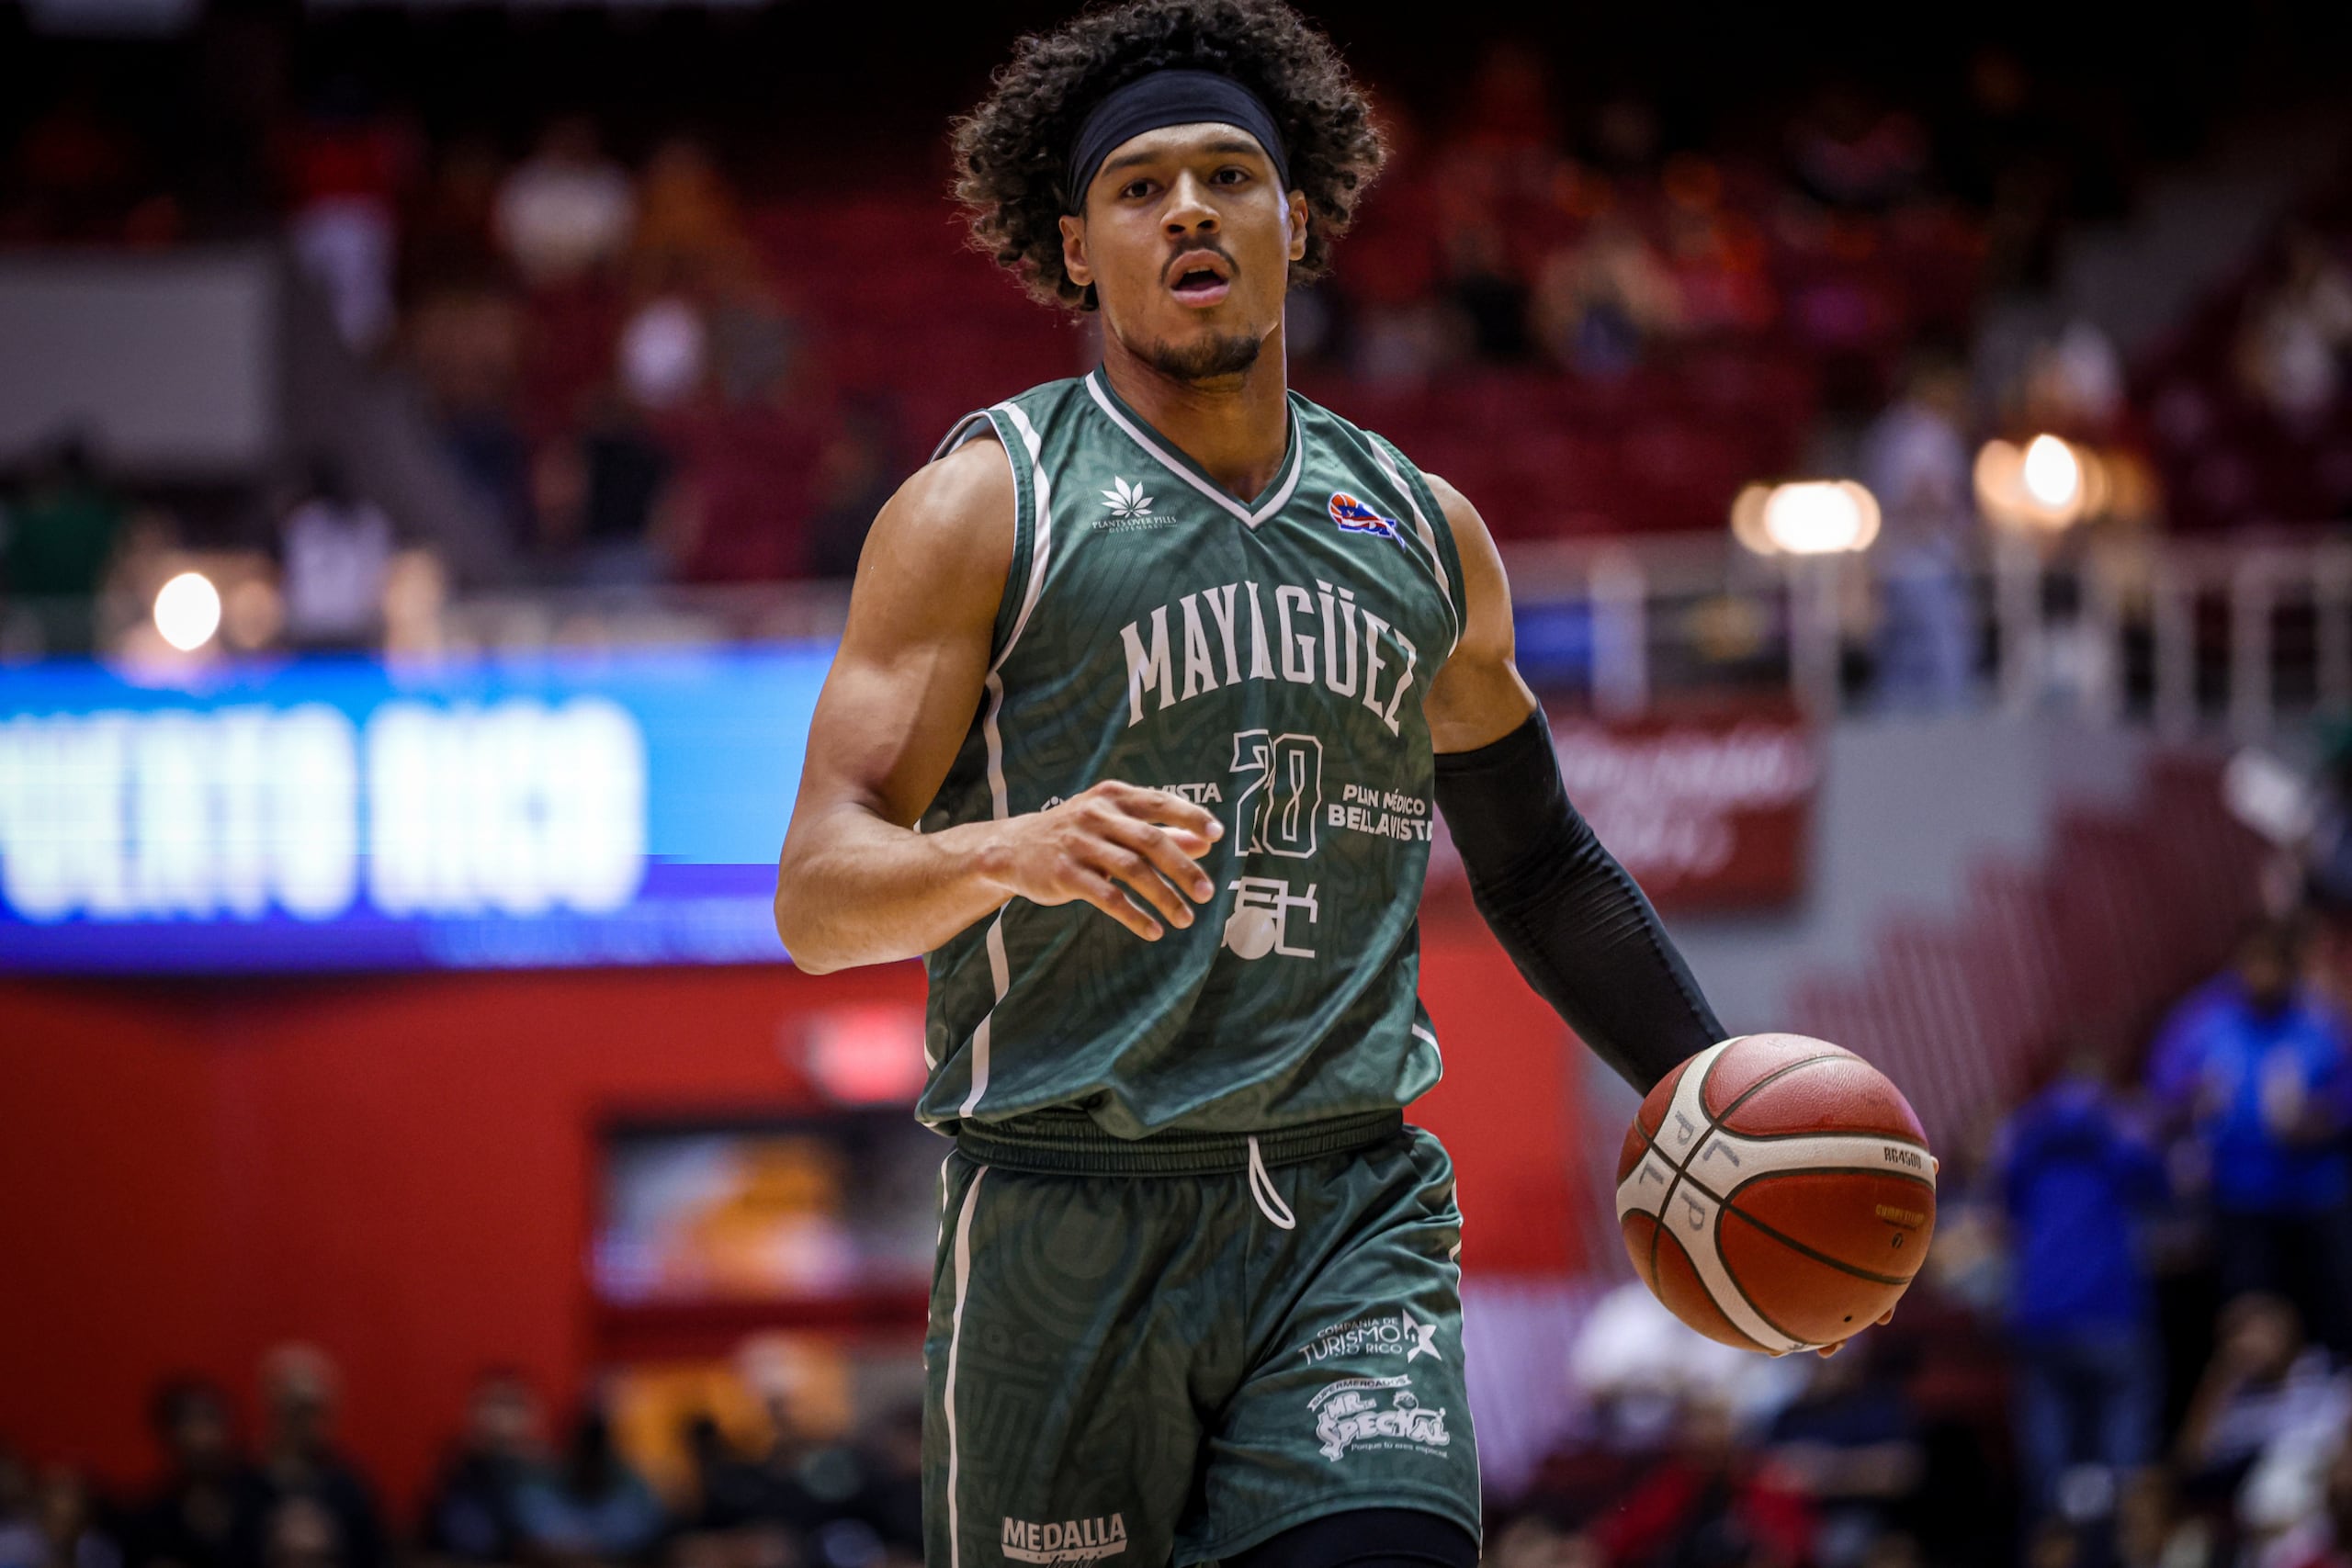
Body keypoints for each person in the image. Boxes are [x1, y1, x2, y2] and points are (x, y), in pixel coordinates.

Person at [772, 5, 1754, 1563]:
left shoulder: (1424, 532)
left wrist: (1714, 1091)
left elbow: (1543, 864)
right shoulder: (980, 508)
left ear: (1299, 222)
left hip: (1343, 1210)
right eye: (1141, 185)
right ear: (1077, 248)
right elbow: (817, 893)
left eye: (1231, 175)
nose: (1189, 210)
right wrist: (1011, 849)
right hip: (1059, 1211)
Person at [2149, 920, 2352, 1351]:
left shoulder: (2320, 1019)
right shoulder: (2200, 1023)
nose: (2261, 977)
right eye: (2252, 964)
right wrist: (2193, 1103)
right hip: (2240, 1196)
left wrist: (2321, 1119)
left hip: (2315, 1193)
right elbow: (2162, 1101)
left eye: (2272, 966)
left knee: (2334, 1301)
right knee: (2251, 1311)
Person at [1995, 1053, 2171, 1527]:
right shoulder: (2117, 1137)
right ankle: (2124, 1535)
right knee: (2124, 1435)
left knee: (2051, 1445)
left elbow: (2004, 1192)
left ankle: (2059, 1534)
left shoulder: (2027, 1141)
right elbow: (2160, 1183)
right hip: (2111, 1311)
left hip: (2042, 1315)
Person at [125, 1380, 268, 1568]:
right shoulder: (149, 1519)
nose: (201, 1435)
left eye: (209, 1419)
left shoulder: (261, 1502)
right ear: (169, 1435)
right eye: (189, 1421)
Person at [418, 1371, 548, 1563]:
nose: (502, 1417)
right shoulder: (454, 1475)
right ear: (472, 1411)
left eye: (513, 1404)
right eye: (495, 1404)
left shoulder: (550, 1474)